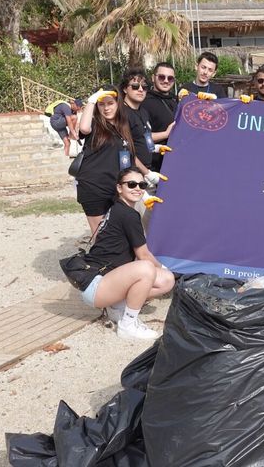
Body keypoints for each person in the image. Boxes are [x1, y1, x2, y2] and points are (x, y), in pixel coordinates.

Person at [79, 167, 175, 340]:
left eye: (142, 184)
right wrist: (167, 268)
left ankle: (116, 307)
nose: (138, 188)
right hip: (96, 287)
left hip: (102, 281)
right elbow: (144, 255)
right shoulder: (127, 215)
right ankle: (128, 324)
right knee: (146, 268)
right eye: (131, 184)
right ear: (119, 188)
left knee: (166, 281)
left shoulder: (117, 208)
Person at [76, 86, 137, 234]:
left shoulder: (122, 127)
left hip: (116, 189)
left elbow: (129, 158)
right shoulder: (95, 124)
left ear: (118, 104)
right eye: (101, 104)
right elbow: (84, 128)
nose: (106, 108)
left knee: (120, 234)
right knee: (101, 237)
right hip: (94, 189)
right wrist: (91, 100)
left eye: (110, 103)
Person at [119, 68, 162, 186]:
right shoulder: (122, 114)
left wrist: (156, 148)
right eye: (135, 86)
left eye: (144, 87)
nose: (140, 90)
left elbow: (144, 138)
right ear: (124, 89)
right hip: (133, 176)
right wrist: (147, 173)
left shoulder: (143, 111)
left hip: (147, 171)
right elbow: (125, 150)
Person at [143, 62, 178, 172]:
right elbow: (139, 137)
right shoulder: (144, 102)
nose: (166, 81)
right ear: (153, 78)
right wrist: (165, 134)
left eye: (170, 78)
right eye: (162, 77)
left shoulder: (175, 101)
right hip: (155, 166)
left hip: (176, 162)